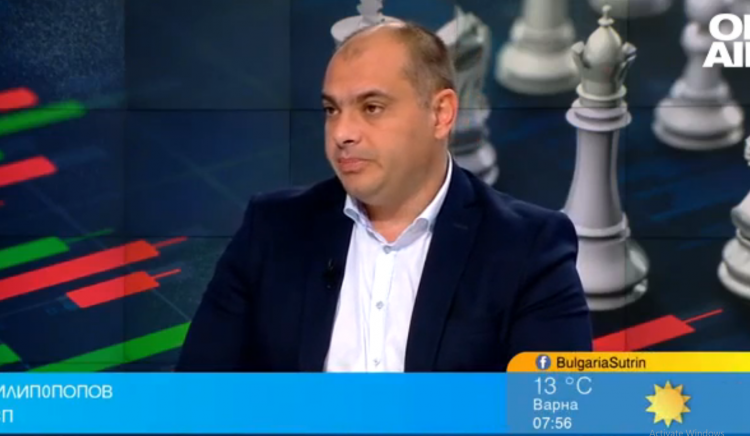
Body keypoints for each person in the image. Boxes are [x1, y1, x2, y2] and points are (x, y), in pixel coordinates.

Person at [176, 20, 592, 372]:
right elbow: (196, 396)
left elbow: (561, 414)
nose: (342, 133)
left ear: (441, 113)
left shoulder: (528, 247)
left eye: (371, 107)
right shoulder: (272, 229)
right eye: (332, 110)